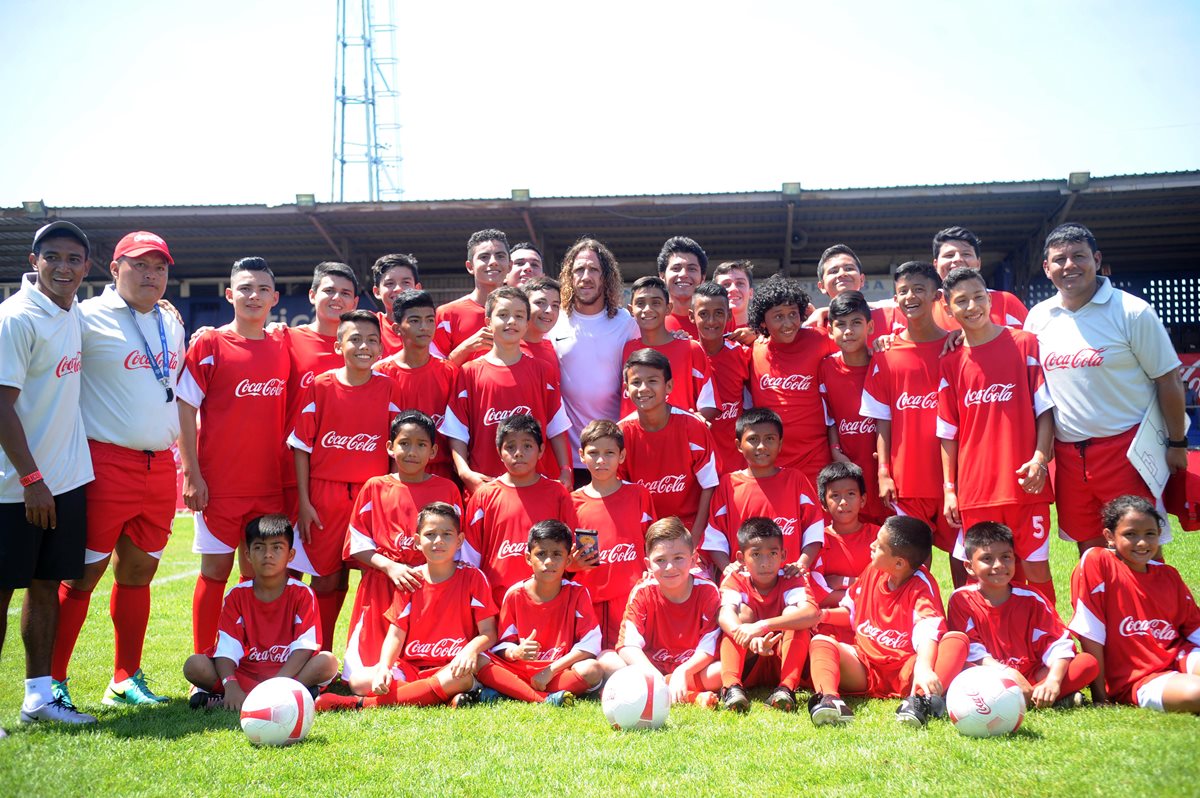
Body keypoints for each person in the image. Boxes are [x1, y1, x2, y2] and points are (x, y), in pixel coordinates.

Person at [52, 230, 185, 710]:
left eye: (160, 267)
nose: (151, 275)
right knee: (80, 576)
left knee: (139, 572)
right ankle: (51, 683)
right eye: (140, 265)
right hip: (104, 462)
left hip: (158, 466)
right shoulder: (84, 317)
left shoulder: (171, 321)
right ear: (114, 269)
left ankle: (125, 678)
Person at [1024, 223, 1187, 552]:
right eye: (1059, 259)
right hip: (1070, 457)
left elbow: (1167, 379)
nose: (1069, 265)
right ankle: (1097, 606)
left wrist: (1177, 442)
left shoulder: (1132, 311)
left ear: (1097, 259)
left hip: (1127, 450)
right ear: (1046, 268)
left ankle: (1151, 606)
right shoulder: (1038, 318)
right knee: (1091, 552)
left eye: (1079, 256)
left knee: (1139, 548)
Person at [317, 501, 566, 709]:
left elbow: (488, 634)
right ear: (416, 540)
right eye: (430, 535)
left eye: (447, 535)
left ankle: (357, 705)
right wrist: (384, 666)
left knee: (464, 671)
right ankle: (442, 695)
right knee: (360, 680)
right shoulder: (411, 579)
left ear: (459, 541)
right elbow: (396, 633)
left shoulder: (472, 577)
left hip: (456, 664)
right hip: (414, 665)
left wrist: (468, 650)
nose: (438, 541)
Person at [0, 221, 96, 728]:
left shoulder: (71, 309)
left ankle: (39, 698)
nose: (63, 267)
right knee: (1, 591)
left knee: (45, 585)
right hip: (14, 487)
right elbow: (1, 406)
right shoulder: (16, 318)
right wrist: (32, 479)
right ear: (35, 261)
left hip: (65, 482)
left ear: (86, 267)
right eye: (53, 257)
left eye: (73, 259)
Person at [177, 256, 290, 655]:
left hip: (270, 486)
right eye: (245, 288)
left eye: (262, 289)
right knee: (214, 573)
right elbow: (185, 407)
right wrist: (191, 474)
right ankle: (204, 664)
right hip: (219, 486)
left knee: (262, 575)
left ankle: (252, 655)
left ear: (275, 297)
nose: (253, 296)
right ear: (230, 294)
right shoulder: (210, 343)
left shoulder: (283, 342)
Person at [937, 267, 1056, 602]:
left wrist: (1039, 457)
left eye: (978, 297)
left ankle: (1048, 638)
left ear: (990, 299)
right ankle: (996, 645)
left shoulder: (1024, 344)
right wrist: (950, 489)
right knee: (991, 574)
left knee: (1034, 571)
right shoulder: (950, 363)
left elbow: (1045, 411)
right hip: (977, 492)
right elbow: (948, 433)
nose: (972, 306)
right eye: (961, 301)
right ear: (949, 309)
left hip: (1025, 486)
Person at [288, 310, 403, 649]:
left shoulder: (388, 387)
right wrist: (305, 503)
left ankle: (365, 655)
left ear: (381, 349)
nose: (363, 346)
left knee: (373, 577)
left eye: (371, 340)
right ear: (339, 345)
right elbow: (301, 446)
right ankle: (318, 656)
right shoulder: (321, 386)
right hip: (325, 496)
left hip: (371, 498)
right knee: (324, 580)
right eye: (354, 339)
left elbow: (395, 447)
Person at [806, 516, 969, 727]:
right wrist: (822, 615)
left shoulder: (921, 586)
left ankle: (919, 701)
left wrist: (924, 667)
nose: (872, 545)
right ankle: (830, 700)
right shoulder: (873, 570)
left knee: (956, 640)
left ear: (899, 563)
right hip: (865, 667)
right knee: (821, 641)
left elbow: (927, 631)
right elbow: (851, 613)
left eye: (879, 545)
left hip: (906, 670)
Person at [860, 261, 964, 586]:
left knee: (965, 559)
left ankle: (969, 627)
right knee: (914, 566)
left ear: (937, 295)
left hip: (957, 478)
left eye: (919, 289)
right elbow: (883, 421)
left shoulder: (958, 348)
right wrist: (883, 473)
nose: (910, 296)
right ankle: (920, 627)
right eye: (903, 291)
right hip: (908, 480)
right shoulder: (887, 354)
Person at [342, 411, 463, 684]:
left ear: (433, 451)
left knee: (424, 664)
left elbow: (457, 544)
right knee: (363, 677)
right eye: (404, 443)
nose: (412, 451)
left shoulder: (447, 489)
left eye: (421, 445)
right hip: (383, 587)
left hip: (430, 588)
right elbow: (356, 544)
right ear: (390, 447)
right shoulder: (375, 487)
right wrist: (390, 566)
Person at [183, 515, 339, 711]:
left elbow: (304, 649)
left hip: (287, 673)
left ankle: (239, 699)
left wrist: (276, 684)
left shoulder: (302, 594)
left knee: (328, 662)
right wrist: (231, 684)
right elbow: (226, 649)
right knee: (194, 665)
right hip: (246, 673)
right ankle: (290, 696)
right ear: (247, 555)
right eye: (259, 547)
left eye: (277, 547)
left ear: (290, 555)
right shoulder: (236, 595)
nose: (268, 554)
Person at [1068, 495, 1200, 713]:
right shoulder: (1098, 562)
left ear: (1159, 535)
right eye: (1130, 534)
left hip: (1179, 656)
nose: (1142, 542)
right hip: (1137, 677)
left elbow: (1193, 628)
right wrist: (1101, 697)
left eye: (1150, 534)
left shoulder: (1168, 574)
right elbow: (1090, 633)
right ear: (1109, 536)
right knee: (1196, 693)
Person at [948, 522, 1099, 709]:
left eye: (1006, 557)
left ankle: (1033, 696)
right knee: (960, 668)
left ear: (1014, 559)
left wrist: (1053, 681)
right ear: (969, 567)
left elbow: (1058, 643)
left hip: (1033, 677)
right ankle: (1041, 700)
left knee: (1087, 663)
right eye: (987, 559)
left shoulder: (1032, 598)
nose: (999, 565)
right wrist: (1005, 672)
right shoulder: (961, 599)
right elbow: (971, 650)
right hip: (988, 676)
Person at [441, 286, 572, 493]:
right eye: (503, 315)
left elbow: (557, 426)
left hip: (535, 485)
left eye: (519, 316)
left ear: (527, 323)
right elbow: (456, 430)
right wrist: (465, 473)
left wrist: (566, 469)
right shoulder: (469, 372)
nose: (511, 321)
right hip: (485, 485)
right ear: (488, 322)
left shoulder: (543, 371)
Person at [550, 237, 639, 484]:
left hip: (614, 455)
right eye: (579, 269)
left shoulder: (627, 323)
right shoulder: (555, 322)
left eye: (594, 270)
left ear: (606, 276)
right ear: (569, 276)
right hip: (570, 458)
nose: (586, 276)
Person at [462, 415, 577, 606]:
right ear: (499, 452)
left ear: (541, 451)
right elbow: (470, 557)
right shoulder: (484, 496)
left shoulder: (558, 494)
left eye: (527, 446)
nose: (518, 453)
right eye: (510, 447)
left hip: (548, 600)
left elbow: (570, 549)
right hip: (497, 602)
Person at [717, 517, 826, 713]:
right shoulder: (735, 578)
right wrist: (747, 636)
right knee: (741, 615)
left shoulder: (791, 577)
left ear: (783, 554)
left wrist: (762, 626)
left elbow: (811, 614)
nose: (765, 563)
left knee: (794, 615)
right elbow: (724, 614)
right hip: (750, 657)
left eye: (773, 553)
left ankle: (786, 689)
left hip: (783, 658)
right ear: (741, 558)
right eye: (756, 554)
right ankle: (732, 688)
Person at [280, 261, 360, 520]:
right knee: (285, 558)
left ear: (355, 302)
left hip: (346, 476)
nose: (337, 298)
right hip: (292, 474)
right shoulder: (285, 339)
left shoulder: (365, 348)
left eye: (345, 293)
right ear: (312, 295)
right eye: (329, 290)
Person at [702, 408, 825, 575]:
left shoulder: (796, 480)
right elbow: (714, 536)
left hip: (788, 578)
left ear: (780, 444)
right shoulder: (728, 484)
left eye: (769, 439)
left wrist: (802, 563)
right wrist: (727, 567)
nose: (761, 446)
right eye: (753, 439)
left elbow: (814, 527)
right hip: (744, 580)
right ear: (739, 445)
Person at [492, 520, 604, 700]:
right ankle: (544, 698)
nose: (549, 561)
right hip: (522, 668)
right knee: (480, 660)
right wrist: (516, 652)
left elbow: (590, 644)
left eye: (557, 554)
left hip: (557, 669)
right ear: (528, 558)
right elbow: (502, 645)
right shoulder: (514, 594)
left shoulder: (577, 593)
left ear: (568, 560)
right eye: (541, 554)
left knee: (592, 669)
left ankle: (516, 691)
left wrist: (551, 670)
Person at [618, 517, 722, 707]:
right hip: (652, 668)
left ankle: (665, 689)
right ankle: (689, 695)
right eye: (660, 560)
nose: (670, 567)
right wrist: (655, 677)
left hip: (692, 668)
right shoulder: (643, 591)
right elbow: (628, 646)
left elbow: (709, 647)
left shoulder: (708, 591)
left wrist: (683, 671)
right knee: (608, 661)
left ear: (694, 559)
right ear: (648, 564)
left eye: (678, 558)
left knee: (721, 671)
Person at [569, 420, 653, 655]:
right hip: (589, 598)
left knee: (631, 653)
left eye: (609, 453)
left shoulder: (638, 495)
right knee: (594, 657)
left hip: (631, 596)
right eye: (593, 453)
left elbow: (652, 542)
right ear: (581, 456)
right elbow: (564, 557)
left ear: (622, 455)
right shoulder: (572, 502)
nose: (601, 460)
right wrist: (572, 565)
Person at [618, 349, 718, 540]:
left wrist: (694, 541)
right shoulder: (621, 433)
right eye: (636, 382)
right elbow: (619, 495)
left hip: (689, 531)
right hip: (643, 536)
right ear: (626, 388)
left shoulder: (693, 427)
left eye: (653, 381)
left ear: (669, 386)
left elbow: (710, 486)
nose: (643, 388)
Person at [746, 276, 837, 487]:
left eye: (793, 314)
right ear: (762, 321)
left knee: (819, 520)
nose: (788, 324)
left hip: (815, 458)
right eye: (778, 316)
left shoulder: (820, 340)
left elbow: (855, 342)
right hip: (769, 460)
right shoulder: (753, 350)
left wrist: (826, 310)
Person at [375, 290, 461, 481]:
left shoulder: (450, 372)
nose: (424, 327)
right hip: (394, 475)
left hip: (442, 474)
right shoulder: (380, 373)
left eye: (430, 320)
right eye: (415, 320)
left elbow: (459, 430)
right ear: (397, 329)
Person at [818, 291, 886, 524]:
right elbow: (830, 419)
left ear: (870, 327)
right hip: (849, 471)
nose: (848, 331)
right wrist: (836, 450)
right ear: (830, 330)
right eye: (841, 324)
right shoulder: (826, 368)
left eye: (856, 323)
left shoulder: (884, 362)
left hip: (885, 472)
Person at [620, 276, 717, 420]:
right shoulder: (627, 348)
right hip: (634, 440)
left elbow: (710, 403)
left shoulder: (690, 349)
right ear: (631, 310)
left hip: (678, 439)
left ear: (668, 308)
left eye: (656, 303)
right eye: (640, 303)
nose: (647, 309)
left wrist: (693, 422)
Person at [690, 282, 751, 475]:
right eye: (703, 313)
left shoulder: (743, 354)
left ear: (729, 315)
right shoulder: (683, 354)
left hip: (734, 465)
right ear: (691, 316)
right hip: (696, 465)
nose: (711, 321)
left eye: (718, 313)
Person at [810, 462, 880, 616]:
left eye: (851, 494)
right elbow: (818, 595)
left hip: (874, 620)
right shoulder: (817, 541)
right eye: (835, 495)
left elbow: (888, 585)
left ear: (862, 499)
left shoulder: (879, 536)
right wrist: (866, 592)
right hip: (832, 622)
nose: (843, 502)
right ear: (823, 503)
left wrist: (844, 581)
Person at [433, 229, 510, 364]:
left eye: (500, 256)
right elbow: (433, 371)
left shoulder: (524, 314)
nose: (493, 262)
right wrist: (465, 348)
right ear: (470, 266)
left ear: (510, 266)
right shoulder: (447, 314)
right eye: (484, 257)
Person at [929, 227, 1027, 331]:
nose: (957, 259)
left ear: (978, 263)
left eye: (966, 254)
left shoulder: (1006, 302)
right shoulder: (925, 308)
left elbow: (1030, 343)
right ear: (935, 265)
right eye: (949, 255)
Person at [804, 245, 897, 346]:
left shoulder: (891, 314)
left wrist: (825, 310)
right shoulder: (815, 326)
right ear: (821, 286)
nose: (842, 274)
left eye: (849, 268)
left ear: (862, 280)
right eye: (834, 271)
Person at [370, 253, 421, 355]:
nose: (398, 289)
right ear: (377, 292)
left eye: (406, 282)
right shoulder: (368, 325)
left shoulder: (433, 325)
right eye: (389, 283)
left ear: (417, 288)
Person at [658, 236, 708, 338]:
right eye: (676, 268)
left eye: (692, 269)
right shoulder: (650, 322)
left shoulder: (719, 320)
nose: (683, 274)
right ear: (662, 276)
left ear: (702, 278)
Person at [520, 276, 562, 386]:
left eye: (555, 305)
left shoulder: (553, 349)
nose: (549, 310)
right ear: (524, 306)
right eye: (540, 302)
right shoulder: (507, 349)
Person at [712, 260, 755, 329]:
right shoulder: (703, 333)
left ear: (750, 293)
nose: (733, 289)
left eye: (740, 283)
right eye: (726, 284)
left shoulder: (766, 333)